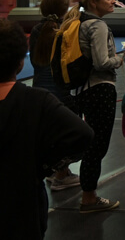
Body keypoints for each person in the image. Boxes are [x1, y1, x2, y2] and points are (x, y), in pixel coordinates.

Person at [0, 20, 93, 240]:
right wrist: (46, 164)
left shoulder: (36, 100)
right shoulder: (37, 101)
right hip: (23, 204)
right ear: (22, 62)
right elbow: (83, 134)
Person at [69, 0, 124, 213]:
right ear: (94, 2)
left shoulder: (79, 22)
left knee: (92, 142)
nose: (113, 1)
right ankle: (89, 196)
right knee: (97, 145)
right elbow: (102, 62)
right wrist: (120, 59)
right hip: (99, 89)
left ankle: (86, 190)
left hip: (82, 89)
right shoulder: (98, 27)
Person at [28, 0, 80, 191]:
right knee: (66, 132)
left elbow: (34, 61)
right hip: (60, 89)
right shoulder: (63, 30)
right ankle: (61, 174)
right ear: (63, 10)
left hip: (40, 87)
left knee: (48, 131)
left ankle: (54, 171)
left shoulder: (37, 29)